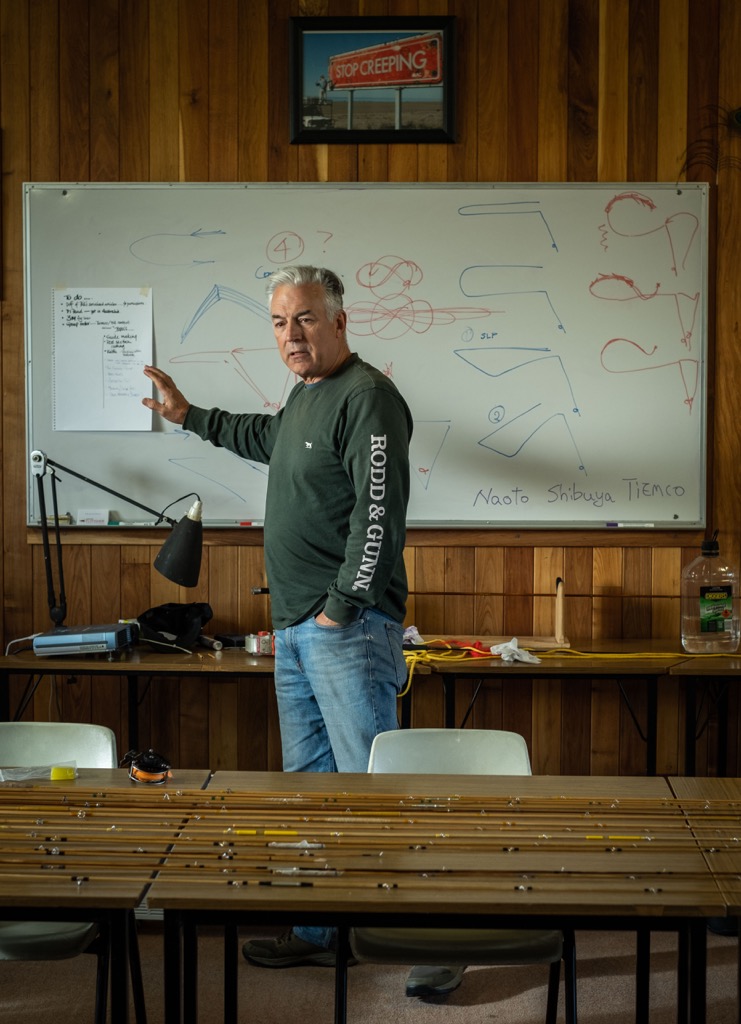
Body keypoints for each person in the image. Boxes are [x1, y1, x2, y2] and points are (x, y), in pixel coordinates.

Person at [142, 264, 413, 968]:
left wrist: (339, 611)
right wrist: (187, 415)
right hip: (297, 632)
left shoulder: (368, 398)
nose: (290, 335)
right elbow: (262, 437)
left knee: (369, 793)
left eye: (304, 318)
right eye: (278, 322)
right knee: (311, 792)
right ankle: (321, 931)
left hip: (344, 631)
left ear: (339, 320)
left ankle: (410, 938)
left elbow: (378, 516)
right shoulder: (305, 398)